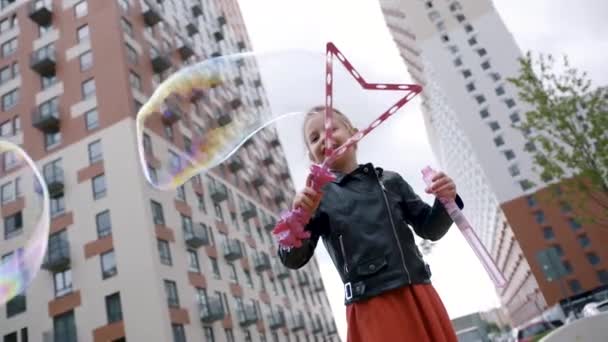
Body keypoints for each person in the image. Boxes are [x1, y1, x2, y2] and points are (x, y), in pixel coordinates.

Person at [278, 106, 464, 341]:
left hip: (417, 292)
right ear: (312, 156)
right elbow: (293, 258)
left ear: (354, 134)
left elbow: (430, 229)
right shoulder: (316, 200)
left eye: (331, 129)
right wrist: (300, 217)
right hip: (370, 306)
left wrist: (445, 199)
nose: (324, 139)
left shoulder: (391, 181)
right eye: (314, 139)